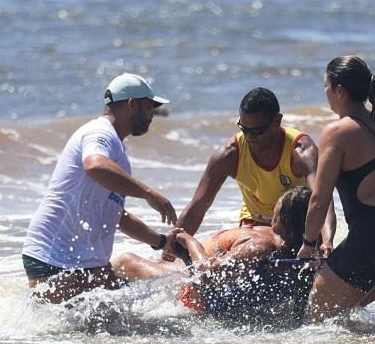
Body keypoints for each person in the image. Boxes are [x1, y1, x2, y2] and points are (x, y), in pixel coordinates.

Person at [22, 72, 178, 304]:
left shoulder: (116, 147)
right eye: (149, 107)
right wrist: (149, 194)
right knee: (96, 327)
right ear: (132, 104)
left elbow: (116, 215)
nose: (152, 114)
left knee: (122, 317)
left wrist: (162, 242)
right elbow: (93, 165)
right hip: (54, 258)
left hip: (79, 260)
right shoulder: (100, 132)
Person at [297, 55, 375, 322]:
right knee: (342, 319)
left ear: (339, 90)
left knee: (314, 322)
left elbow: (319, 198)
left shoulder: (338, 131)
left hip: (374, 240)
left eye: (326, 86)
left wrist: (308, 244)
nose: (325, 92)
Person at [173, 87, 335, 256]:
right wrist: (170, 252)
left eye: (257, 132)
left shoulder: (301, 151)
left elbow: (322, 199)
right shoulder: (229, 154)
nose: (249, 137)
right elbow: (197, 207)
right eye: (244, 129)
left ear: (277, 121)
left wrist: (328, 241)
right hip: (254, 225)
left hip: (297, 227)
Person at [112, 186, 313, 315]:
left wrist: (187, 239)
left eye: (275, 209)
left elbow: (208, 276)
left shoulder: (259, 245)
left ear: (281, 219)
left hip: (191, 279)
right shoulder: (310, 251)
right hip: (197, 269)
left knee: (125, 261)